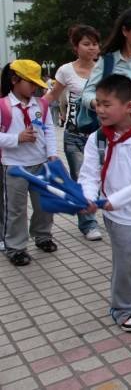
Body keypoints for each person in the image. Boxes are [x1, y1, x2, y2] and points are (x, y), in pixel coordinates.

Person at [78, 74, 131, 332]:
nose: (100, 109)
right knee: (126, 261)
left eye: (107, 104)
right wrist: (90, 197)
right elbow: (89, 174)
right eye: (98, 104)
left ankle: (125, 288)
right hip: (118, 218)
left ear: (128, 106)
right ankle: (122, 307)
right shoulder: (97, 139)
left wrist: (115, 199)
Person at [43, 24, 104, 241]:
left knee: (105, 178)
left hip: (100, 135)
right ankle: (88, 224)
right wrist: (33, 110)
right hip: (74, 135)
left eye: (95, 44)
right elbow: (51, 96)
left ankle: (108, 215)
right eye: (86, 44)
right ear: (76, 47)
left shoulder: (104, 68)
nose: (92, 48)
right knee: (81, 178)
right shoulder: (65, 70)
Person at [0, 60, 57, 266]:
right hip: (14, 165)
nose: (34, 88)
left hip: (40, 162)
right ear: (15, 80)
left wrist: (52, 153)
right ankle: (15, 247)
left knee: (44, 205)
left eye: (36, 83)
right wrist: (17, 138)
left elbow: (49, 129)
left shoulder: (41, 104)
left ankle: (42, 236)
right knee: (15, 209)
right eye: (30, 82)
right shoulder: (3, 106)